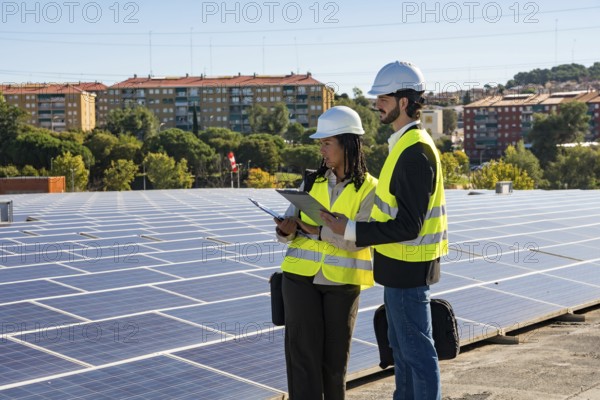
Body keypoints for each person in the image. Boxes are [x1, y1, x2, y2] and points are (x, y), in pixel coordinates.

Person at [321, 62, 448, 400]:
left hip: (409, 270)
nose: (376, 103)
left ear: (403, 101)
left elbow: (409, 225)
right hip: (399, 269)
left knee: (417, 354)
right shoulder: (403, 147)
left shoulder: (415, 153)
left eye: (383, 97)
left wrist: (350, 229)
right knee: (403, 355)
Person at [274, 105, 378, 400]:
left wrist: (317, 232)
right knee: (302, 359)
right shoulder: (311, 181)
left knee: (334, 363)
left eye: (326, 142)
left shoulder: (370, 189)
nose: (321, 149)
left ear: (347, 143)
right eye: (320, 143)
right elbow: (288, 231)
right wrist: (285, 229)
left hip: (342, 284)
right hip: (298, 279)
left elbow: (361, 239)